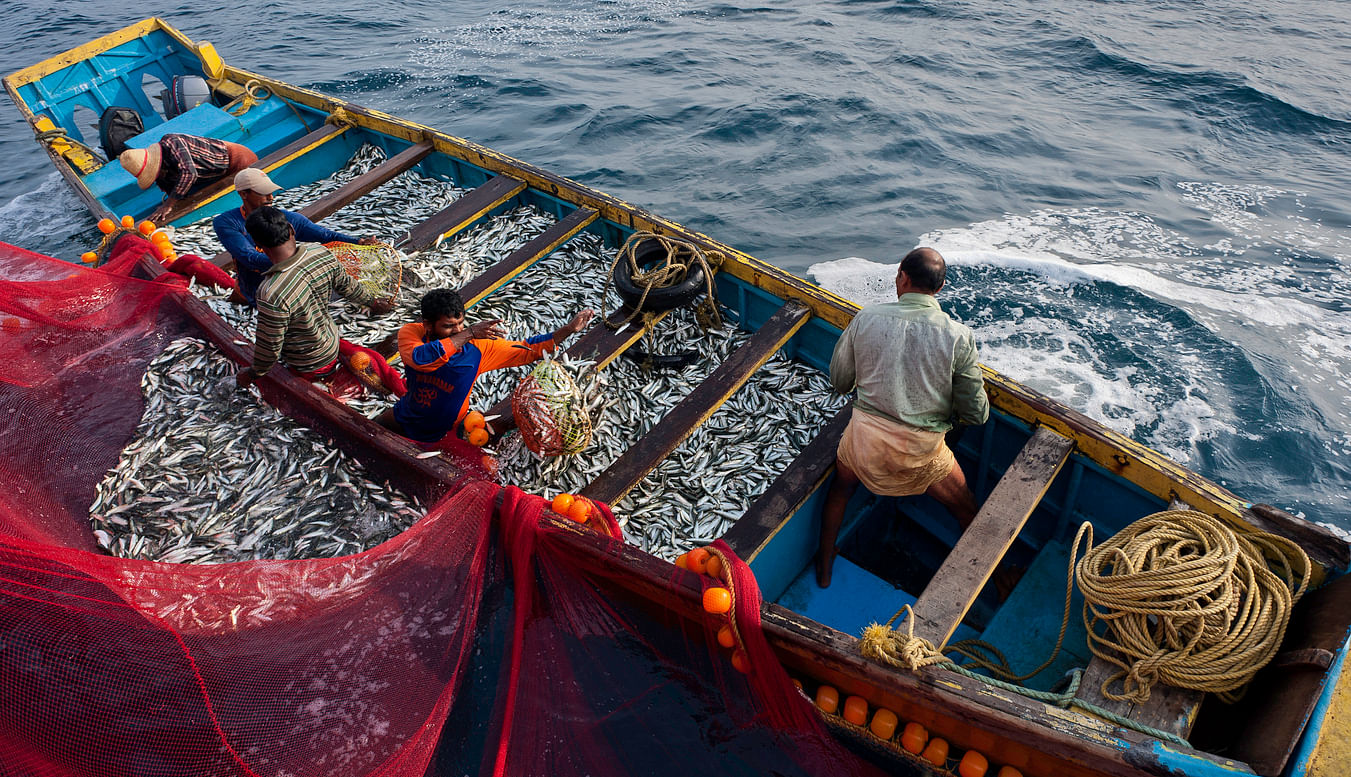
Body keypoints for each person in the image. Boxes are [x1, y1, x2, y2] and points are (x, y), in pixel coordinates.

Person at [817, 247, 989, 588]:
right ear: (939, 289)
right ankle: (991, 582)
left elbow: (839, 382)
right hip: (920, 454)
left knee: (840, 490)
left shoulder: (866, 318)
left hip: (863, 443)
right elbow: (977, 413)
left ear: (902, 277)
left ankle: (824, 566)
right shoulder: (959, 337)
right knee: (967, 507)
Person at [376, 288, 594, 445]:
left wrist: (568, 329)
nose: (457, 330)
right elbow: (421, 359)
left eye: (461, 324)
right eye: (448, 326)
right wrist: (468, 333)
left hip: (444, 428)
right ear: (427, 325)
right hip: (407, 413)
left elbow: (528, 349)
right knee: (372, 426)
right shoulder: (412, 333)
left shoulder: (478, 350)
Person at [234, 206, 405, 396]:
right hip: (332, 340)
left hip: (308, 363)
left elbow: (270, 349)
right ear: (291, 229)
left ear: (257, 243)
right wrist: (374, 303)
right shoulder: (319, 252)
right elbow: (348, 286)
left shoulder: (270, 292)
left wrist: (251, 374)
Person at [212, 168, 379, 306]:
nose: (271, 198)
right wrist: (302, 261)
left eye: (271, 192)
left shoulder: (286, 218)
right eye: (263, 193)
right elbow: (249, 257)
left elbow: (324, 235)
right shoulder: (226, 222)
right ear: (243, 194)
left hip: (292, 288)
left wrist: (359, 242)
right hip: (253, 291)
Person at [119, 133, 258, 221]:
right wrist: (168, 207)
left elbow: (189, 172)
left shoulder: (172, 142)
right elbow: (170, 189)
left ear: (157, 162)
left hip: (237, 160)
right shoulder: (163, 175)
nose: (157, 176)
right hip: (216, 175)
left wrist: (169, 204)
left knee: (251, 202)